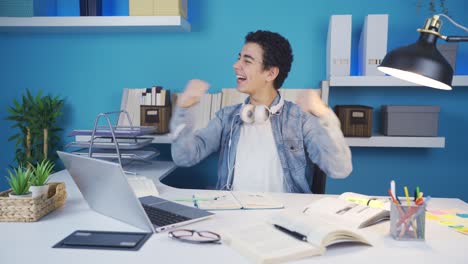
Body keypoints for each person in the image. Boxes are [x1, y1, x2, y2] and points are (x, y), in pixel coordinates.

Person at [170, 30, 352, 193]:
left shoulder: (299, 119)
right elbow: (184, 157)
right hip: (233, 215)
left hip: (285, 218)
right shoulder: (227, 117)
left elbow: (340, 169)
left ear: (270, 73)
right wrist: (184, 108)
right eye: (238, 58)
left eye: (246, 61)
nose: (236, 65)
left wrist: (323, 113)